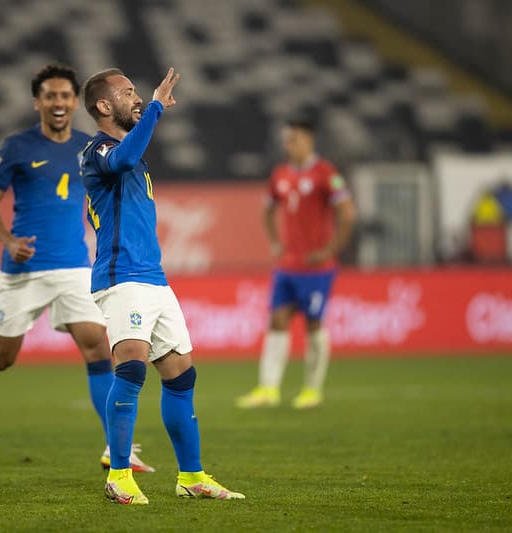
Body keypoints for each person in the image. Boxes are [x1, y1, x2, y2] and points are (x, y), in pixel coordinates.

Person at [0, 63, 153, 473]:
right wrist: (9, 241)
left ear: (74, 102)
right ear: (38, 102)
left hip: (73, 266)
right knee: (1, 359)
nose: (58, 102)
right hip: (24, 269)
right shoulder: (16, 147)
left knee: (97, 348)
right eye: (50, 95)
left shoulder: (92, 146)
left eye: (65, 95)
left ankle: (116, 447)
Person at [80, 66, 244, 505]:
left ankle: (191, 476)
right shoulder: (96, 151)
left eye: (137, 92)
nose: (135, 98)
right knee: (131, 368)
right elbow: (125, 159)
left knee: (180, 374)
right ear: (102, 105)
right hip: (121, 278)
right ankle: (118, 475)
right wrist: (155, 106)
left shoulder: (131, 151)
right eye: (127, 92)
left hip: (153, 279)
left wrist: (151, 110)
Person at [236, 117, 356, 410]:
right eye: (286, 140)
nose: (288, 145)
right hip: (287, 266)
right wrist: (275, 242)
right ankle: (268, 388)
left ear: (309, 140)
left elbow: (347, 214)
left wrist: (331, 249)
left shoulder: (326, 174)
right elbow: (268, 210)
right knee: (277, 320)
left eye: (294, 139)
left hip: (317, 268)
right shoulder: (280, 175)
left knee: (314, 323)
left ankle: (312, 390)